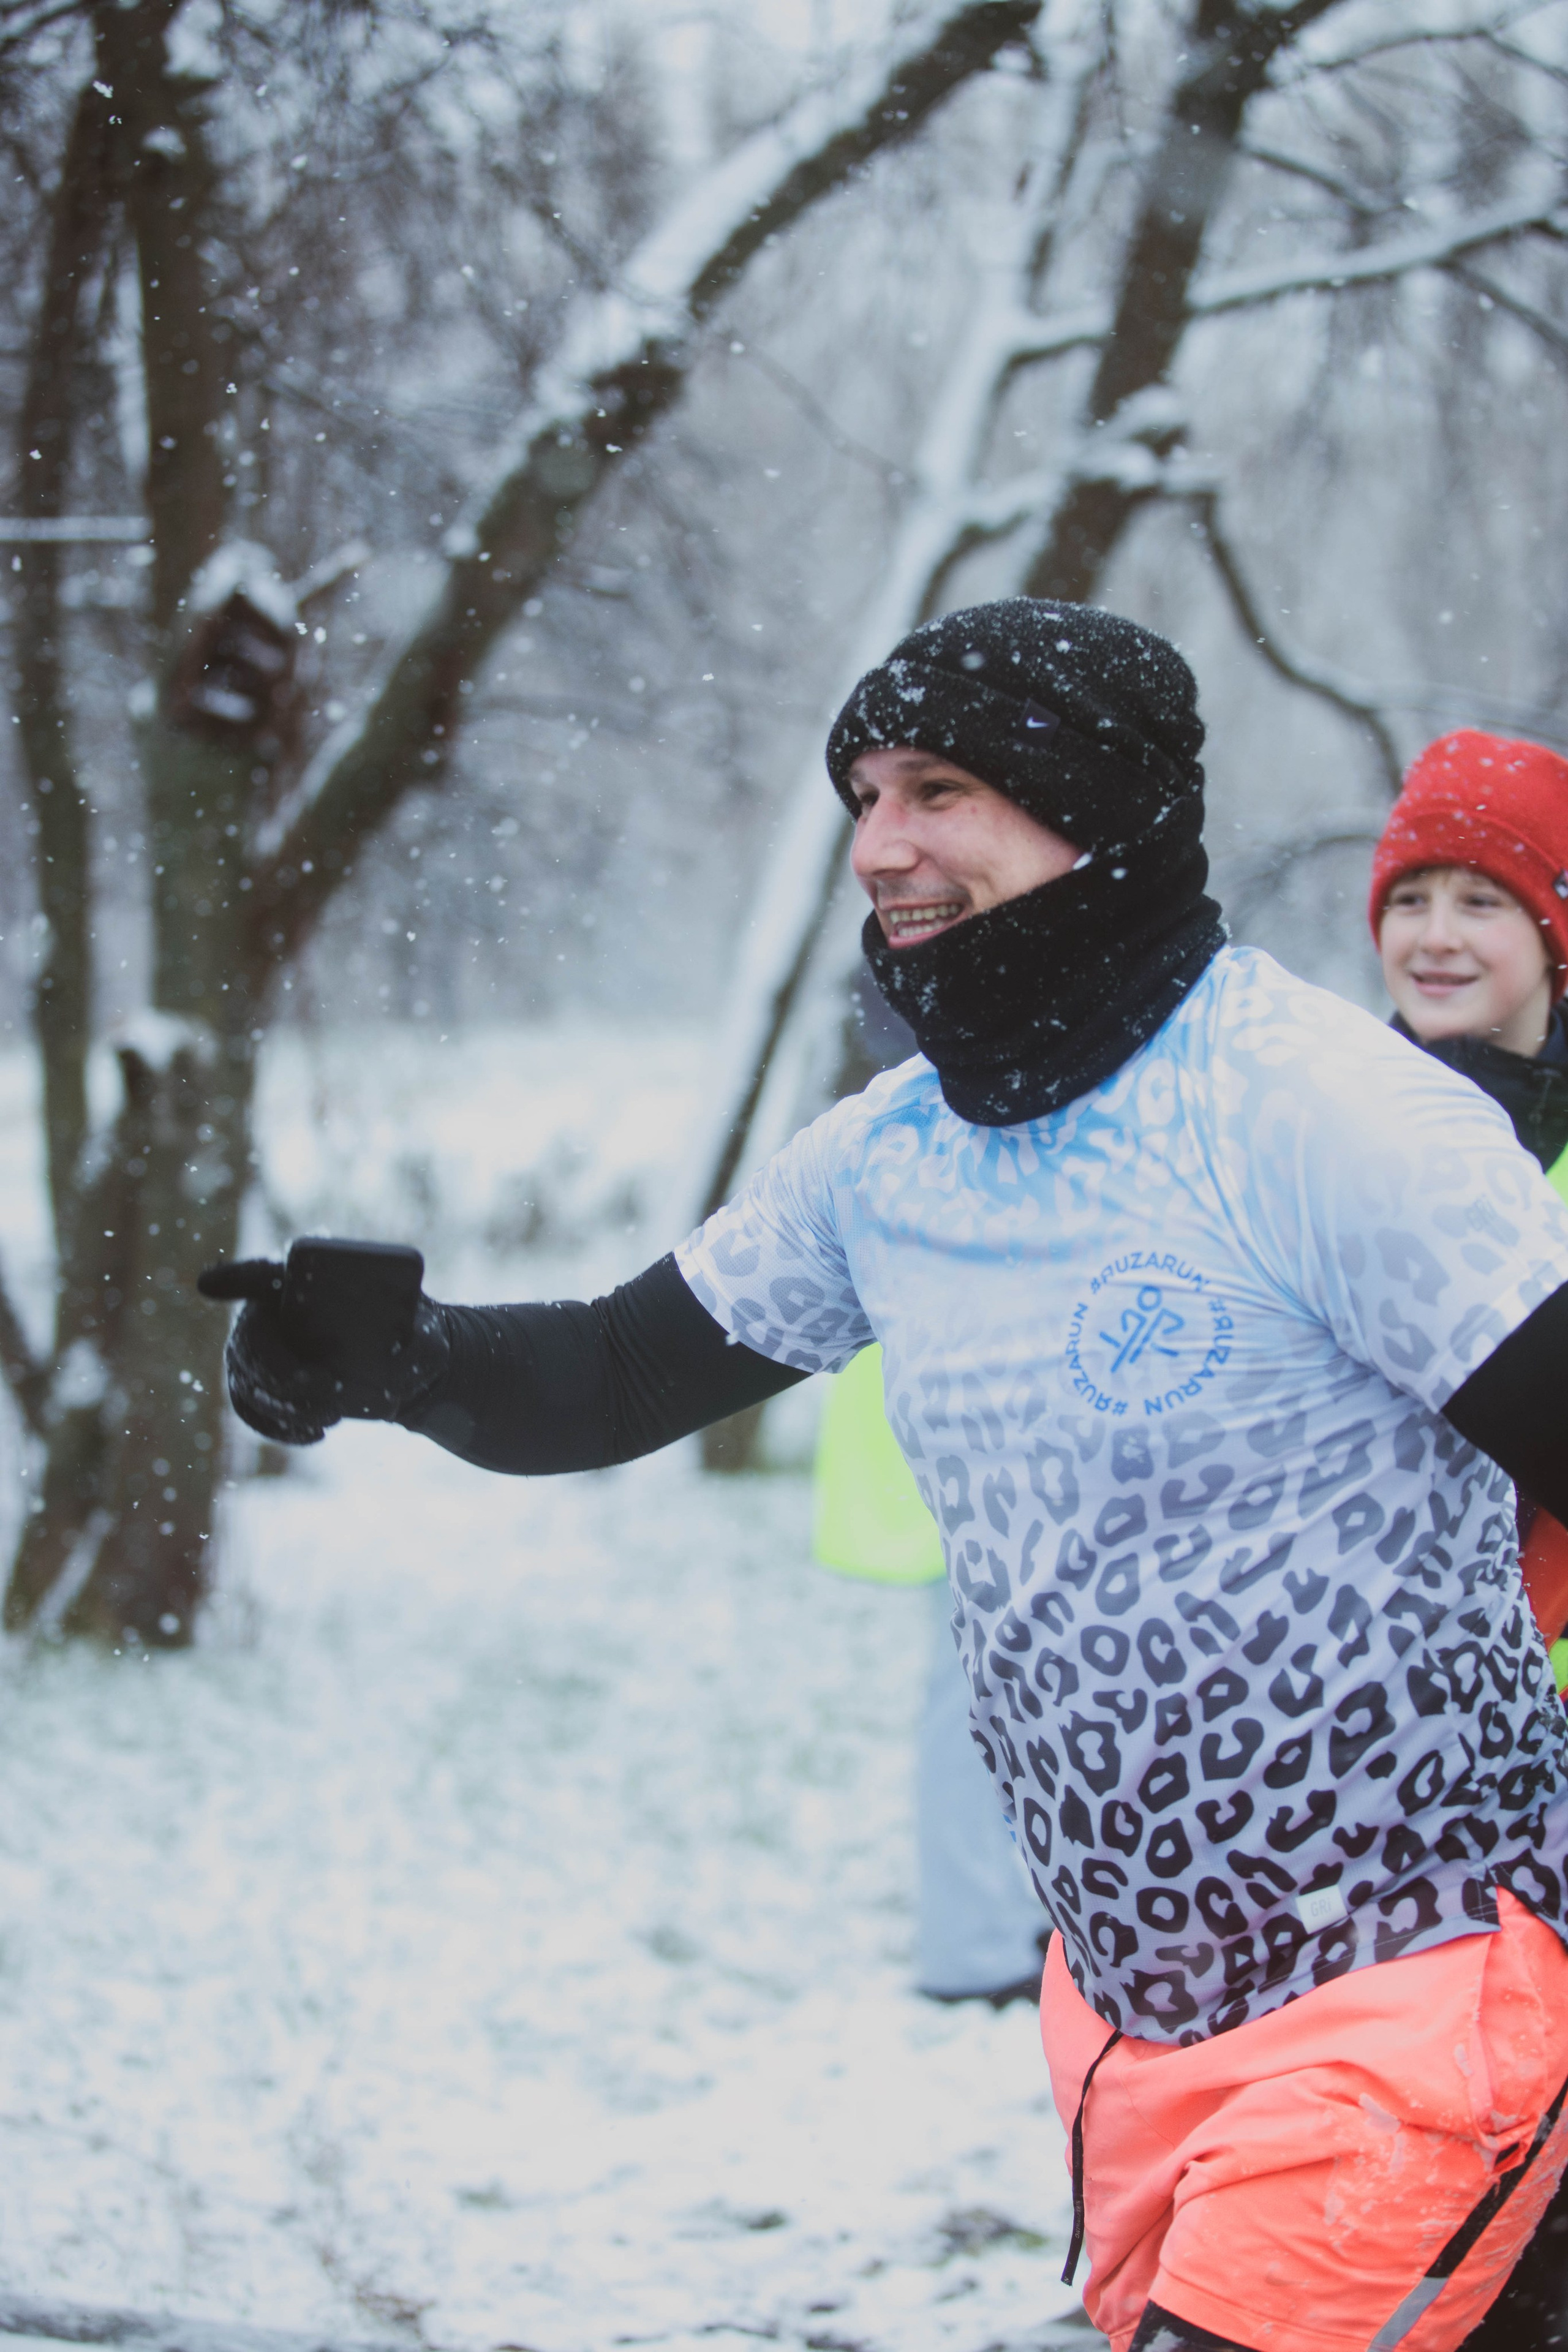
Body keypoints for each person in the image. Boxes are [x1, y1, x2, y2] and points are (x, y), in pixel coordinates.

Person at [205, 600, 1568, 2352]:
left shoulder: (1331, 1119)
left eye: (937, 791)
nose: (878, 847)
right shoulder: (891, 1161)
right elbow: (620, 1372)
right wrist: (394, 1361)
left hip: (1422, 1983)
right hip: (1143, 2026)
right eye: (862, 795)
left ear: (1089, 810)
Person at [1366, 731, 1568, 2352]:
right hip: (1366, 1717)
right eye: (1411, 897)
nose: (1437, 934)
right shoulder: (1329, 1134)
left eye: (1482, 902)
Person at [814, 1336, 1050, 2005]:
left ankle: (996, 1917)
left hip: (959, 1435)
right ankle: (971, 1945)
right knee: (972, 1705)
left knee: (996, 1702)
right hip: (957, 1446)